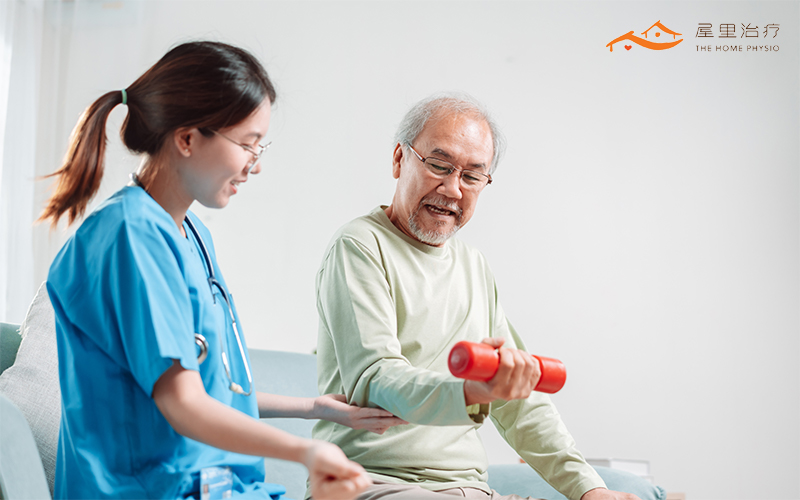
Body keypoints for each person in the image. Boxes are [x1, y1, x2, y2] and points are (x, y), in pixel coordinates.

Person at [40, 41, 404, 500]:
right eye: (248, 144)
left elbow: (213, 387)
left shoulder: (191, 234)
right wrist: (305, 453)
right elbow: (183, 404)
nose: (255, 165)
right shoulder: (129, 237)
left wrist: (315, 407)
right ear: (188, 138)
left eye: (260, 146)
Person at [313, 93, 641, 500]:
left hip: (470, 490)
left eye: (472, 176)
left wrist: (589, 489)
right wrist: (470, 392)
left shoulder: (474, 266)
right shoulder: (359, 245)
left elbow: (519, 403)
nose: (452, 189)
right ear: (399, 159)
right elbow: (377, 378)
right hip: (370, 482)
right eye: (439, 165)